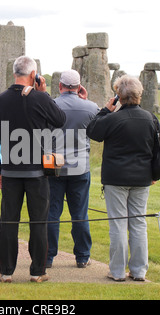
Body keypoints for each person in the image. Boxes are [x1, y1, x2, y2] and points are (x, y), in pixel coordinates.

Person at [0, 56, 66, 283]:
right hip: (37, 172)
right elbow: (60, 119)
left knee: (8, 222)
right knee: (38, 222)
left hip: (10, 170)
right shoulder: (40, 99)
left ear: (15, 73)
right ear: (34, 75)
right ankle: (37, 271)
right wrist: (43, 93)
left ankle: (6, 271)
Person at [87, 75, 160, 282]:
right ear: (139, 95)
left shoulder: (112, 119)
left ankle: (118, 271)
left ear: (118, 97)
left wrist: (105, 110)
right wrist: (155, 174)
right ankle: (139, 271)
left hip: (115, 177)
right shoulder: (151, 119)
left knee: (118, 224)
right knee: (139, 223)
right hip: (142, 178)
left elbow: (92, 131)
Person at [46, 70, 99, 269]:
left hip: (54, 164)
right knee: (79, 213)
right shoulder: (91, 107)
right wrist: (84, 100)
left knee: (52, 213)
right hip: (80, 165)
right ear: (79, 87)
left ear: (60, 86)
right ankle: (82, 256)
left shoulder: (51, 105)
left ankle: (48, 256)